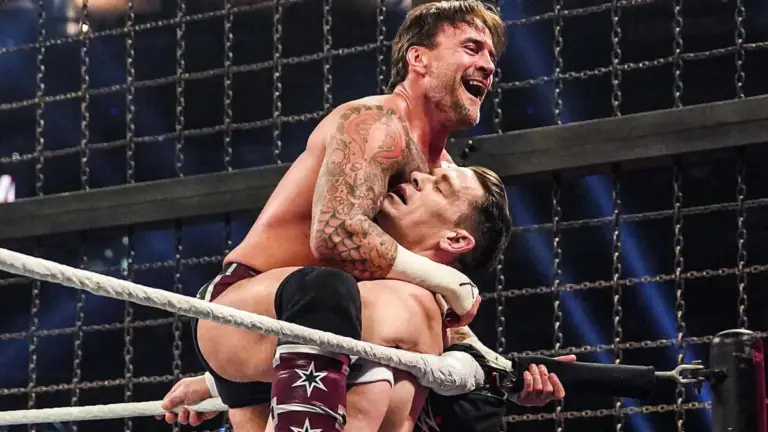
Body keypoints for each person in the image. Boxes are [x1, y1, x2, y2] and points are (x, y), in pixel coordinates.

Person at [161, 166, 572, 432]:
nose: (417, 176)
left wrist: (223, 378)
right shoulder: (414, 313)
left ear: (455, 239)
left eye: (440, 187)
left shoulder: (407, 301)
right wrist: (216, 383)